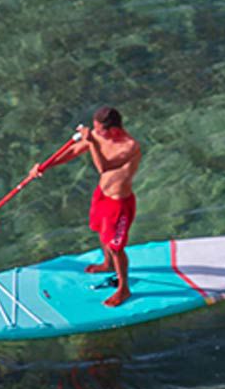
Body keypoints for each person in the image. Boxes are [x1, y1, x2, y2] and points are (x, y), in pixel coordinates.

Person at [27, 106, 141, 306]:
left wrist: (91, 142)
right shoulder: (98, 135)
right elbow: (72, 151)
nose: (97, 133)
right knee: (100, 232)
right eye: (95, 129)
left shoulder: (129, 146)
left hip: (119, 203)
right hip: (102, 196)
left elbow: (104, 166)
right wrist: (45, 166)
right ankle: (107, 265)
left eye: (101, 130)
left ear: (114, 129)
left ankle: (124, 289)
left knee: (116, 248)